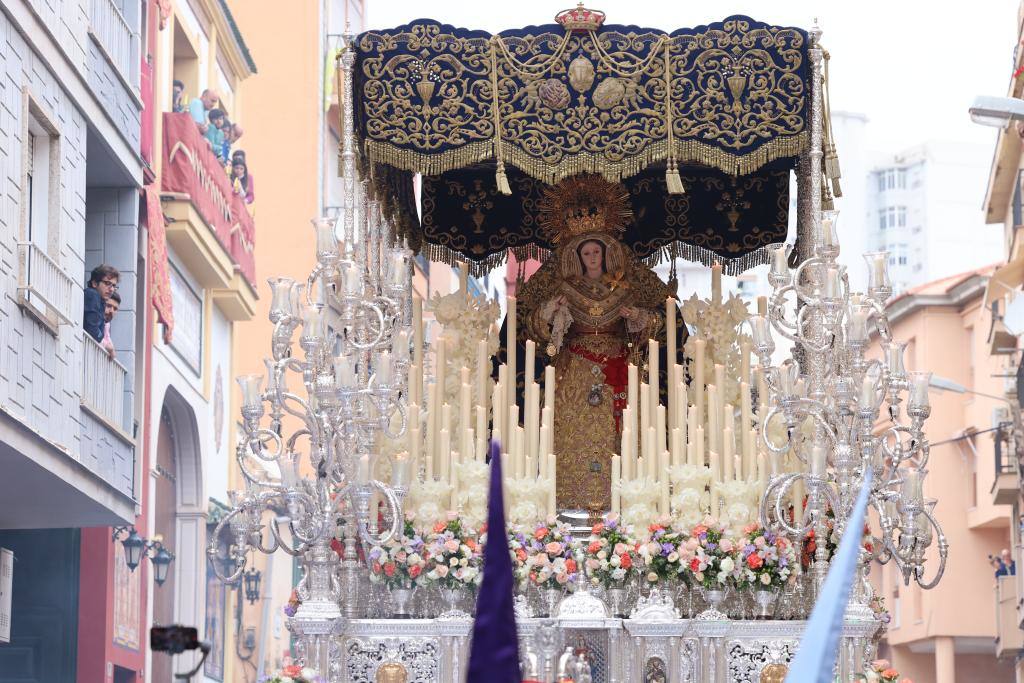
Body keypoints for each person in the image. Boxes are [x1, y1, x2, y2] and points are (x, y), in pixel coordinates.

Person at [516, 175, 685, 512]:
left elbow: (662, 319)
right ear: (576, 256)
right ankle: (567, 497)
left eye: (596, 251)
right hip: (572, 369)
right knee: (570, 431)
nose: (592, 257)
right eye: (586, 252)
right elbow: (529, 327)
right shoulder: (561, 287)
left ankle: (625, 498)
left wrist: (638, 318)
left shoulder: (625, 286)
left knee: (621, 432)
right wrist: (551, 314)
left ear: (606, 253)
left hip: (619, 368)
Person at [83, 264, 119, 344]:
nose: (111, 289)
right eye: (107, 283)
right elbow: (92, 329)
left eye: (113, 285)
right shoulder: (92, 294)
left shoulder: (101, 300)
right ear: (95, 283)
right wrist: (103, 342)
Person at [101, 291, 120, 359]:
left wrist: (112, 349)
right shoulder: (96, 318)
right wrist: (110, 349)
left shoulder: (107, 324)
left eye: (115, 309)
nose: (112, 311)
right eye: (108, 306)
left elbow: (107, 338)